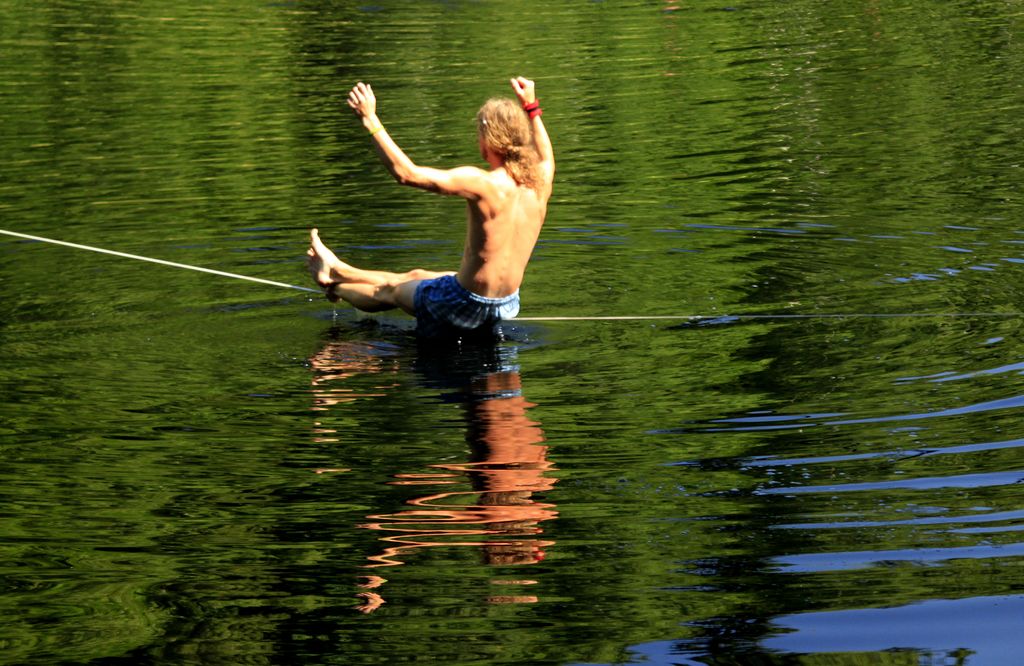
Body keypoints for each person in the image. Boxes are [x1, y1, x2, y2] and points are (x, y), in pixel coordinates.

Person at [307, 76, 554, 337]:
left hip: (463, 304)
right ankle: (338, 269)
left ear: (489, 141)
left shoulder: (482, 183)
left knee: (390, 291)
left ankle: (334, 286)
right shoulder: (541, 180)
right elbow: (546, 153)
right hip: (506, 304)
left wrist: (370, 119)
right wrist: (531, 107)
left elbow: (406, 174)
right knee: (417, 275)